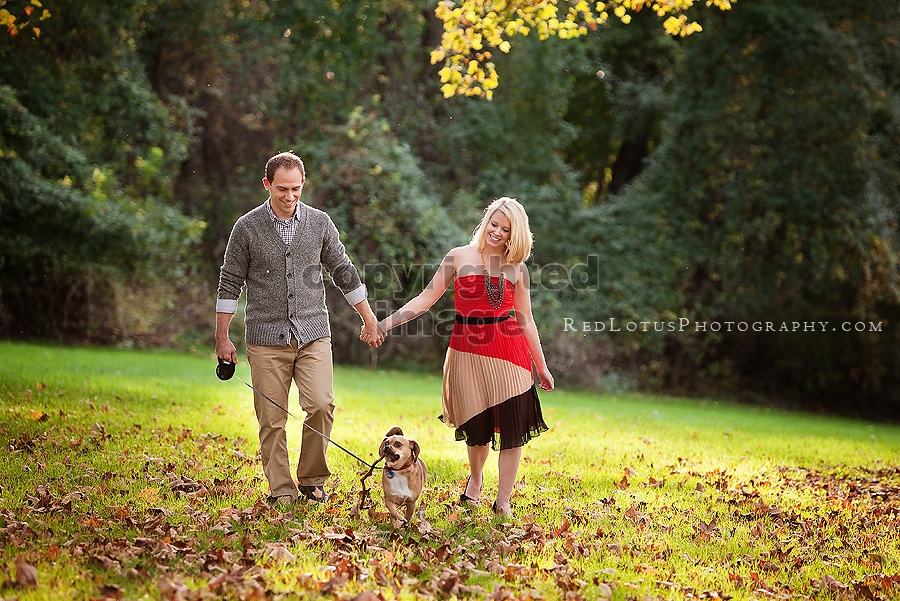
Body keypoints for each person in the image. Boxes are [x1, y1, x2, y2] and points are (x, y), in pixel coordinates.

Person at [215, 151, 381, 507]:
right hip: (265, 338)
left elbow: (343, 270)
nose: (289, 197)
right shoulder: (246, 227)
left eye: (296, 189)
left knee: (321, 404)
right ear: (267, 185)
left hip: (312, 333)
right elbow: (229, 281)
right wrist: (222, 335)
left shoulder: (320, 223)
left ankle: (311, 479)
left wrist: (368, 316)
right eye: (282, 189)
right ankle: (282, 490)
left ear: (303, 185)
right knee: (272, 420)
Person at [377, 197, 553, 517]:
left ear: (517, 235)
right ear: (485, 221)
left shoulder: (517, 270)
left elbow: (526, 319)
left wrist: (541, 366)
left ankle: (503, 502)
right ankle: (475, 479)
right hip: (467, 352)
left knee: (513, 429)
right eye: (494, 224)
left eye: (506, 229)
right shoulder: (458, 257)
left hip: (510, 352)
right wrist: (384, 324)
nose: (497, 232)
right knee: (478, 429)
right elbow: (425, 299)